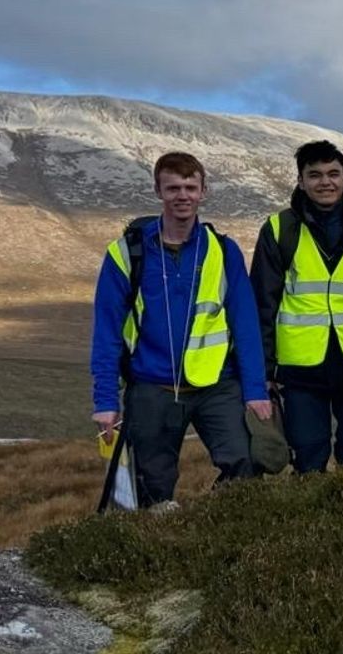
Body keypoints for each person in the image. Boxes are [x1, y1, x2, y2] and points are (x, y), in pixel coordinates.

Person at [89, 152, 271, 506]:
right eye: (173, 187)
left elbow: (245, 324)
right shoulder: (125, 253)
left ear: (204, 191)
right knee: (150, 488)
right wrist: (105, 400)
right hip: (152, 386)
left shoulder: (223, 250)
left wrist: (255, 391)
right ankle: (160, 546)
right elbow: (107, 333)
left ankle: (218, 536)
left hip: (217, 385)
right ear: (158, 190)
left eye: (190, 187)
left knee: (245, 465)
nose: (182, 195)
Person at [254, 140, 343, 472]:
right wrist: (263, 371)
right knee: (308, 459)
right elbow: (263, 304)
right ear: (300, 181)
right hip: (300, 366)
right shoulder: (280, 228)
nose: (325, 182)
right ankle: (313, 523)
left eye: (333, 174)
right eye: (315, 175)